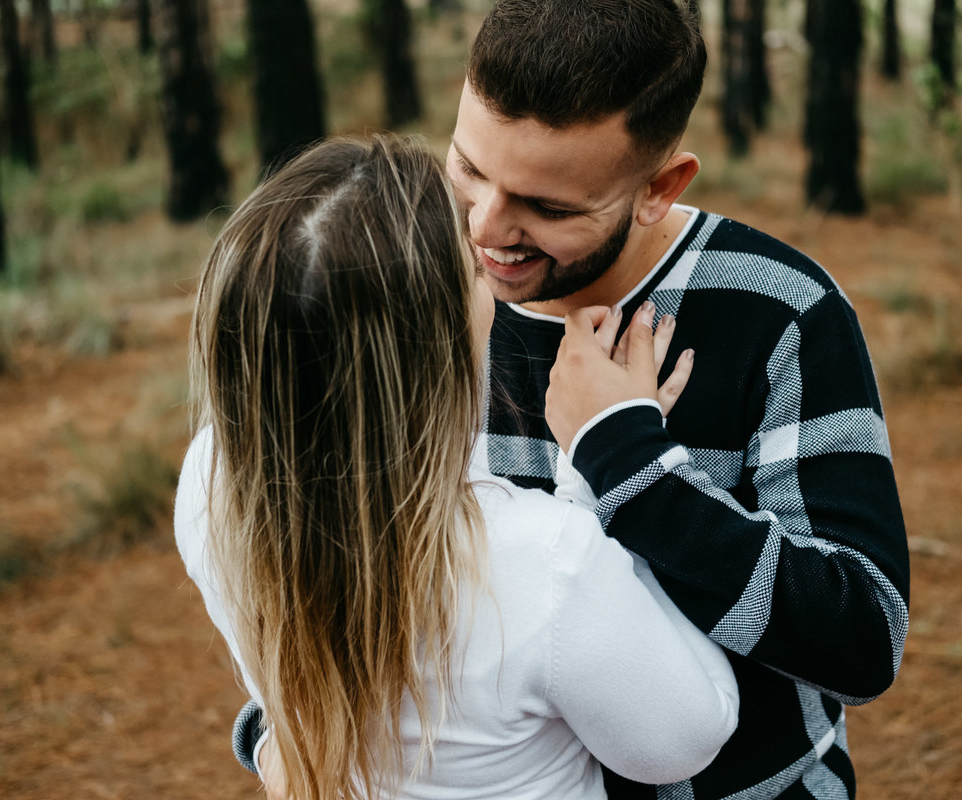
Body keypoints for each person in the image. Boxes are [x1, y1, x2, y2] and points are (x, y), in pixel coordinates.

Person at [237, 1, 910, 798]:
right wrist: (278, 728)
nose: (487, 229)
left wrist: (629, 461)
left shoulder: (780, 310)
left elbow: (862, 642)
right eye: (470, 169)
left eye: (549, 208)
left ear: (659, 187)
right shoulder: (405, 300)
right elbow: (316, 547)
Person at [174, 134, 741, 800]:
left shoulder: (209, 482)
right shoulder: (545, 561)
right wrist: (614, 461)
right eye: (470, 268)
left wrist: (272, 740)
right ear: (434, 344)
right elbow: (686, 738)